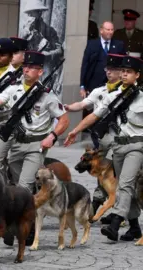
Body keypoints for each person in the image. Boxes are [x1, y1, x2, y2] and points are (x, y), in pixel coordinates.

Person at [64, 56, 143, 243]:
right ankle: (135, 228)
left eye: (129, 72)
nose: (124, 74)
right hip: (118, 147)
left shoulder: (141, 97)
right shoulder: (112, 96)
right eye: (123, 71)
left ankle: (115, 222)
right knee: (127, 188)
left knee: (125, 183)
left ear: (137, 75)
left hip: (137, 147)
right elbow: (94, 115)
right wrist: (75, 130)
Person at [0, 51, 69, 194]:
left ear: (40, 72)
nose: (26, 70)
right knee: (12, 179)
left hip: (36, 145)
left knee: (24, 185)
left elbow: (64, 120)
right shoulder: (14, 88)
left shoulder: (48, 95)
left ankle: (26, 211)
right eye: (25, 66)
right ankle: (9, 195)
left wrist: (52, 136)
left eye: (31, 67)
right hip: (16, 143)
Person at [65, 54, 123, 213]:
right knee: (104, 170)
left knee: (119, 173)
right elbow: (84, 104)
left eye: (113, 69)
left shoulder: (127, 91)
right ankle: (102, 203)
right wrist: (69, 108)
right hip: (102, 138)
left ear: (121, 71)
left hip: (120, 138)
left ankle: (115, 208)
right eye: (107, 69)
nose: (109, 72)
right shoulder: (99, 91)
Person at [80, 21, 125, 98]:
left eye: (112, 30)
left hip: (113, 85)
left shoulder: (119, 45)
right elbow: (85, 65)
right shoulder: (92, 44)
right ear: (101, 30)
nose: (110, 32)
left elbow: (123, 65)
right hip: (93, 84)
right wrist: (82, 86)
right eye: (108, 29)